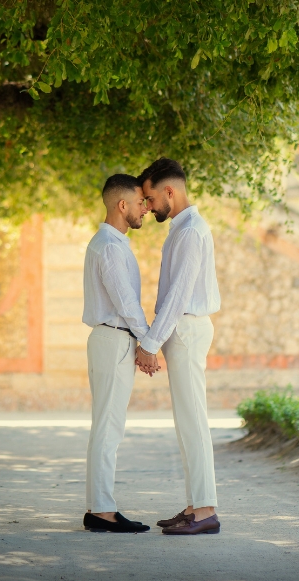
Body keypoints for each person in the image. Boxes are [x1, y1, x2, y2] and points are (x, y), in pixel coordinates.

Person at [134, 158, 222, 535]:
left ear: (170, 191)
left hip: (186, 329)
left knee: (193, 422)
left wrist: (150, 342)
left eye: (151, 198)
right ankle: (194, 506)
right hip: (182, 330)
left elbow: (177, 296)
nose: (148, 206)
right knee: (187, 422)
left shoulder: (190, 233)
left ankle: (204, 512)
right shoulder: (182, 229)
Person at [81, 174, 156, 533]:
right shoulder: (110, 246)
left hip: (113, 340)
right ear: (122, 205)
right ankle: (102, 511)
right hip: (114, 340)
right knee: (108, 427)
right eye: (140, 201)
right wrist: (149, 345)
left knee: (108, 426)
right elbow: (126, 303)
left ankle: (101, 507)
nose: (146, 207)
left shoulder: (113, 243)